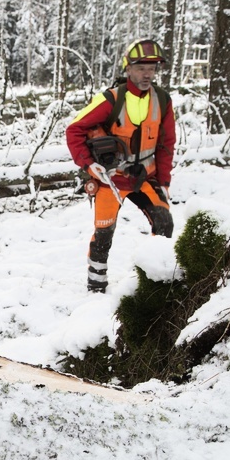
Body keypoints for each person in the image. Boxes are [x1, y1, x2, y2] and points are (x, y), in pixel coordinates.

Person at [65, 39, 177, 293]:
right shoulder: (111, 99)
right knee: (104, 232)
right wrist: (89, 165)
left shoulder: (162, 100)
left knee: (164, 223)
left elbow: (166, 144)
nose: (147, 74)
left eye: (152, 68)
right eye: (141, 68)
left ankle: (155, 281)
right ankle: (96, 285)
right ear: (128, 69)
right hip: (110, 178)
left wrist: (164, 181)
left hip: (145, 177)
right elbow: (74, 130)